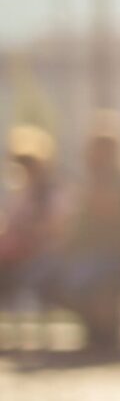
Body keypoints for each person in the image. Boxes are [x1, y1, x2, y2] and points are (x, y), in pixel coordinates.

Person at [37, 116, 120, 352]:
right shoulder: (95, 183)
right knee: (52, 274)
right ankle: (97, 330)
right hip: (95, 255)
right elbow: (79, 228)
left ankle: (105, 334)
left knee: (85, 277)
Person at [0, 125, 62, 311]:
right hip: (15, 255)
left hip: (42, 256)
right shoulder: (20, 193)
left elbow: (55, 230)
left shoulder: (51, 194)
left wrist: (27, 234)